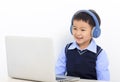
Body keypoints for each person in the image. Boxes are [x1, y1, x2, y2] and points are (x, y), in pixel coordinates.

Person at [55, 9, 110, 81]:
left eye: (83, 30)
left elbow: (104, 80)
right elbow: (58, 74)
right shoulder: (67, 49)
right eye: (75, 28)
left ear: (94, 32)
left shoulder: (99, 54)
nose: (78, 33)